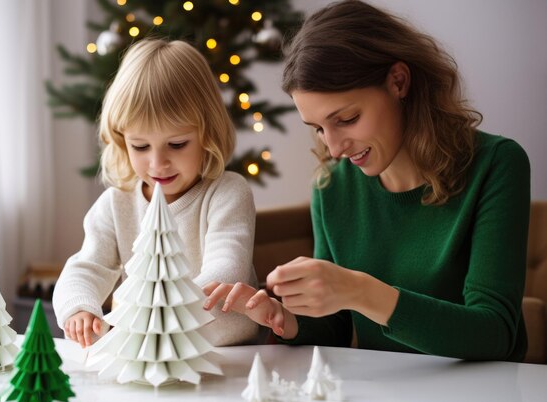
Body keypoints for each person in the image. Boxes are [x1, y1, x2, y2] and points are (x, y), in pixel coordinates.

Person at [204, 0, 530, 361]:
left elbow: (494, 334)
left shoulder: (497, 164)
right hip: (385, 398)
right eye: (318, 128)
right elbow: (335, 329)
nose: (335, 147)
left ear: (398, 81)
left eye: (346, 118)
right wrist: (283, 318)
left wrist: (360, 290)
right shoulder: (332, 187)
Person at [53, 39, 258, 348]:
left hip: (226, 355)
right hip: (147, 356)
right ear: (122, 142)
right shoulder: (115, 203)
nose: (158, 163)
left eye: (177, 144)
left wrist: (155, 310)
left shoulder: (227, 192)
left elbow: (226, 269)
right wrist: (80, 307)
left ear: (208, 134)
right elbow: (86, 266)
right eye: (140, 146)